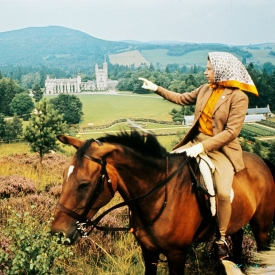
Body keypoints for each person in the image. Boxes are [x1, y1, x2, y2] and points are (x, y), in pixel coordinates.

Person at [139, 51, 258, 260]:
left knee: (222, 193)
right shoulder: (205, 89)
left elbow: (231, 132)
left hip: (220, 149)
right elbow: (181, 98)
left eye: (209, 69)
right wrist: (156, 88)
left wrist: (203, 148)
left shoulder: (239, 97)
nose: (205, 73)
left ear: (222, 72)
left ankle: (220, 239)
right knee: (164, 170)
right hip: (194, 142)